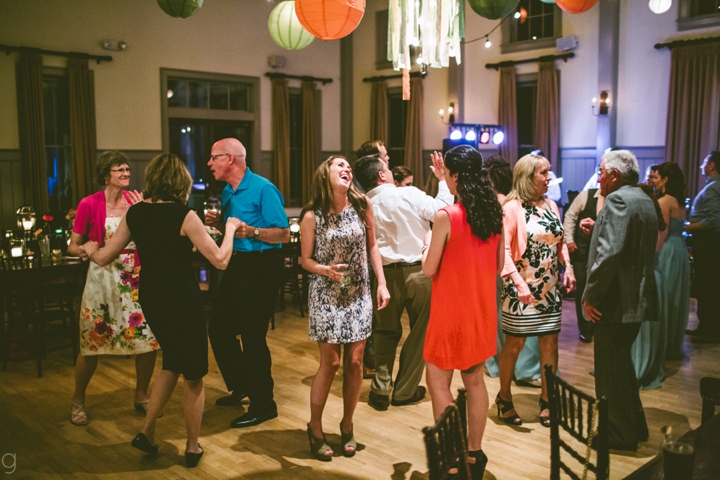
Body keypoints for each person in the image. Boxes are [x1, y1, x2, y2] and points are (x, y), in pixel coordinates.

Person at [84, 154, 240, 467]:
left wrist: (90, 248)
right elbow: (220, 260)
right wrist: (232, 228)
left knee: (173, 362)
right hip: (182, 299)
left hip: (151, 297)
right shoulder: (185, 215)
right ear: (179, 181)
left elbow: (103, 257)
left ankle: (147, 431)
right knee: (194, 375)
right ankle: (193, 446)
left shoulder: (135, 213)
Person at [300, 155, 390, 461]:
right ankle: (315, 427)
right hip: (326, 292)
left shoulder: (363, 206)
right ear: (324, 174)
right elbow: (305, 261)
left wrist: (382, 283)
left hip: (358, 292)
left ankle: (347, 424)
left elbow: (374, 246)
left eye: (348, 167)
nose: (346, 169)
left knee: (356, 363)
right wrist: (325, 270)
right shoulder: (313, 216)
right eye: (339, 165)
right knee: (332, 363)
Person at [422, 145, 504, 480]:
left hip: (450, 311)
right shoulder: (494, 213)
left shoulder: (447, 216)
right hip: (481, 312)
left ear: (454, 175)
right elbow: (499, 266)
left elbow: (429, 269)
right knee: (475, 383)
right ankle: (474, 453)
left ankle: (451, 456)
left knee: (438, 382)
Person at [353, 152, 453, 411]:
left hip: (383, 277)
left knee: (385, 333)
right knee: (421, 332)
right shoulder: (407, 194)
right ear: (382, 175)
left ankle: (380, 388)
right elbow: (442, 211)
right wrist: (442, 180)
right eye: (387, 168)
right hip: (418, 272)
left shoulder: (361, 204)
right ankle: (405, 390)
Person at [67, 151, 158, 427]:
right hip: (102, 278)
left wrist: (145, 208)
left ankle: (141, 395)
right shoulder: (88, 204)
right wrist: (85, 248)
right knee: (92, 342)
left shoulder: (135, 200)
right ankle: (78, 400)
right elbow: (72, 244)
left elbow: (148, 232)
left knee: (147, 339)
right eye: (120, 169)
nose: (126, 173)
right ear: (106, 174)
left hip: (135, 277)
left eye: (128, 169)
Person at [205, 138, 290, 428]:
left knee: (253, 337)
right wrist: (219, 224)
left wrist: (252, 230)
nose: (209, 163)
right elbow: (234, 230)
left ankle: (264, 404)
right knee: (218, 329)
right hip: (238, 264)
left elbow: (283, 234)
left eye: (213, 157)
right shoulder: (229, 191)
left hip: (262, 266)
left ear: (230, 159)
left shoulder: (263, 188)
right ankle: (242, 385)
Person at [583, 150, 658, 450]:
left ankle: (618, 434)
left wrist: (590, 296)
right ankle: (635, 426)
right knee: (622, 368)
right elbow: (627, 245)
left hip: (614, 302)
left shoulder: (616, 200)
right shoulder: (643, 198)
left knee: (610, 372)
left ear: (615, 175)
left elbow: (609, 255)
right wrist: (598, 227)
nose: (599, 177)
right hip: (636, 298)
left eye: (601, 172)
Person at [497, 153, 575, 427]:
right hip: (519, 289)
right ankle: (504, 398)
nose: (549, 177)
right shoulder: (511, 208)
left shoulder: (551, 205)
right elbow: (503, 253)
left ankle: (547, 399)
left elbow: (560, 240)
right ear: (528, 177)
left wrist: (570, 268)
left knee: (550, 344)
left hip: (549, 289)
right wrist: (519, 284)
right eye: (544, 172)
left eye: (548, 172)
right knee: (515, 344)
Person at [483, 156, 542, 388]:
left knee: (497, 316)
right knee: (520, 317)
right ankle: (525, 370)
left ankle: (497, 363)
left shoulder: (487, 202)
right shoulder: (509, 203)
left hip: (491, 264)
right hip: (513, 264)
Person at [631, 184, 668, 390]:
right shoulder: (659, 221)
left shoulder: (642, 222)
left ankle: (637, 368)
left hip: (643, 277)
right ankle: (650, 364)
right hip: (657, 274)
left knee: (640, 330)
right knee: (650, 331)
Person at [655, 162, 691, 359]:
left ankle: (663, 343)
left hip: (667, 249)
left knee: (665, 296)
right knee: (677, 296)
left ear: (665, 179)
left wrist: (654, 253)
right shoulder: (680, 201)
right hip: (680, 248)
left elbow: (663, 231)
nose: (655, 180)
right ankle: (673, 342)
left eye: (657, 177)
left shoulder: (664, 202)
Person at [685, 151, 720, 340]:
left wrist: (687, 226)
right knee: (709, 286)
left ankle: (709, 330)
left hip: (707, 244)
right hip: (709, 243)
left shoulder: (713, 188)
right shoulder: (713, 186)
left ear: (712, 165)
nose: (701, 166)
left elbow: (713, 222)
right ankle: (707, 327)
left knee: (707, 286)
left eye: (705, 162)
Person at [563, 186, 605, 343]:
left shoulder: (614, 198)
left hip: (601, 253)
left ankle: (596, 324)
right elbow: (570, 216)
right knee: (582, 287)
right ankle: (585, 329)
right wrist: (569, 240)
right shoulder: (586, 195)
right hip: (581, 251)